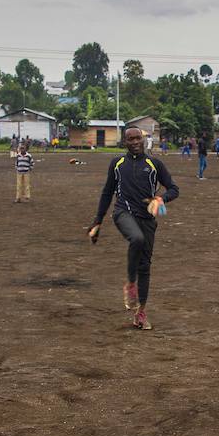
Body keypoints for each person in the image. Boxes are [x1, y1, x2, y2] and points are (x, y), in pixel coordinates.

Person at [87, 127, 180, 331]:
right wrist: (98, 221)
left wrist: (160, 198)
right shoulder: (117, 164)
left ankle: (141, 312)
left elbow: (174, 189)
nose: (135, 142)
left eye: (138, 138)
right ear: (125, 142)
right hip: (123, 213)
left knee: (145, 266)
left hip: (147, 219)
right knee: (136, 239)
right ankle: (130, 284)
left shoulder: (154, 164)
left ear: (144, 140)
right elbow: (107, 193)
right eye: (130, 139)